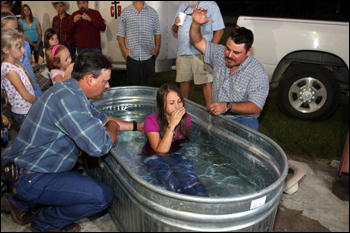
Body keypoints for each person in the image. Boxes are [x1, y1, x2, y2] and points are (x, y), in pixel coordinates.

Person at [1, 49, 144, 232]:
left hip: (25, 168)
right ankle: (45, 222)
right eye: (105, 81)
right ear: (90, 79)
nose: (107, 86)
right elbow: (100, 145)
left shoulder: (69, 89)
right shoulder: (69, 101)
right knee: (102, 196)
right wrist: (113, 128)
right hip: (31, 178)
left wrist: (137, 126)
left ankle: (18, 202)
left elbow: (103, 118)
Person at [189, 8, 269, 131]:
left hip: (243, 121)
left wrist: (228, 106)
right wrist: (196, 24)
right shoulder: (220, 53)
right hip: (218, 116)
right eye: (228, 49)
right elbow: (197, 41)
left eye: (236, 52)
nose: (229, 55)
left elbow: (256, 106)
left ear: (248, 52)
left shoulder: (258, 73)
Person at [142, 83, 208, 196]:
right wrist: (172, 125)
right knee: (173, 186)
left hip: (175, 152)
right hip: (154, 155)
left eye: (179, 101)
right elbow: (160, 151)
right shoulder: (150, 120)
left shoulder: (186, 119)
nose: (177, 106)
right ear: (162, 105)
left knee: (195, 186)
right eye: (171, 103)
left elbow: (181, 141)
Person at [172, 1, 225, 108]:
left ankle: (212, 114)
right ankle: (182, 113)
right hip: (183, 52)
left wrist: (210, 50)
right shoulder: (183, 6)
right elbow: (174, 29)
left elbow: (219, 30)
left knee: (206, 82)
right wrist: (176, 24)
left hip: (201, 53)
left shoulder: (211, 5)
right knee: (183, 83)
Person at [117, 1, 161, 86]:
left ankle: (147, 99)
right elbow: (120, 33)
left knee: (149, 86)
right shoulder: (125, 12)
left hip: (149, 55)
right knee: (132, 86)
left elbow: (158, 33)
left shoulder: (152, 12)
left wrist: (157, 48)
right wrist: (124, 49)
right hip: (132, 55)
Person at [1, 11, 42, 97]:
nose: (15, 32)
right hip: (20, 94)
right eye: (10, 30)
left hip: (33, 85)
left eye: (16, 29)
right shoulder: (5, 54)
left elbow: (29, 60)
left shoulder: (25, 44)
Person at [1, 28, 36, 126]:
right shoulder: (10, 70)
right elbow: (25, 95)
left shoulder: (15, 63)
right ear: (6, 50)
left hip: (28, 107)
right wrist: (39, 102)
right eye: (19, 47)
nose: (23, 50)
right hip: (24, 111)